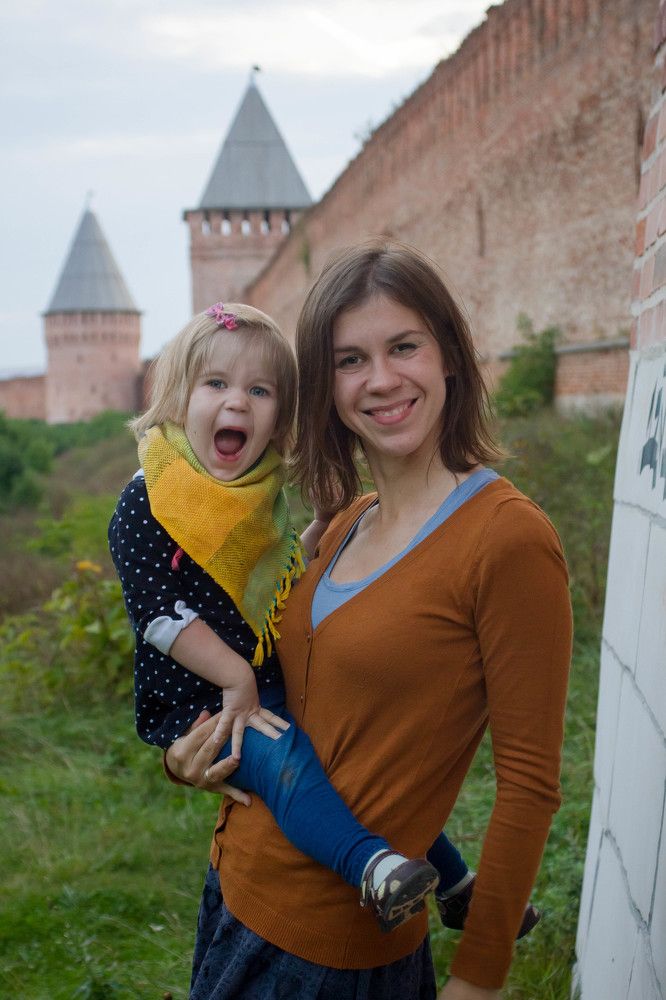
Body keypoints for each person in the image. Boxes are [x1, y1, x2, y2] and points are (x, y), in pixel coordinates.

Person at [166, 242, 572, 1000]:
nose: (381, 380)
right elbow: (292, 706)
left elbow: (528, 783)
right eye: (350, 360)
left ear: (449, 356)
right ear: (325, 389)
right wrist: (188, 758)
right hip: (235, 890)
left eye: (404, 347)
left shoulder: (506, 539)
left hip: (335, 951)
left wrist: (479, 977)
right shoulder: (344, 522)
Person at [108, 300, 485, 935]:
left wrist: (318, 529)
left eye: (260, 391)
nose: (238, 402)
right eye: (216, 384)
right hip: (203, 705)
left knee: (353, 764)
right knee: (290, 767)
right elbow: (159, 616)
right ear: (177, 397)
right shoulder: (149, 498)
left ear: (280, 417)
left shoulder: (257, 495)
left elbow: (277, 580)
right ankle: (371, 867)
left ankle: (456, 885)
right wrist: (235, 678)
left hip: (261, 683)